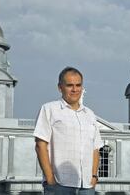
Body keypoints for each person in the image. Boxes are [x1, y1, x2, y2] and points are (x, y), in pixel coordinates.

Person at [33, 67, 102, 195]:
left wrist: (93, 177)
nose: (75, 89)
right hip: (60, 184)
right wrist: (50, 179)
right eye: (70, 85)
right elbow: (40, 145)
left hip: (86, 186)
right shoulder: (49, 109)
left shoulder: (90, 114)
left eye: (78, 85)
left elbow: (95, 148)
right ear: (60, 87)